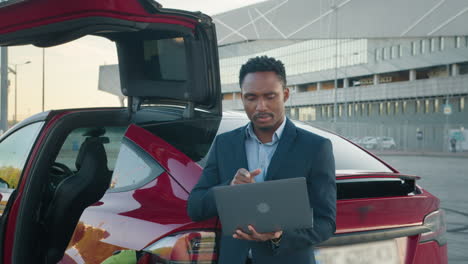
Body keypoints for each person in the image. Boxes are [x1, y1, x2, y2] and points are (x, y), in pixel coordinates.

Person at [187, 56, 336, 264]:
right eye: (251, 98)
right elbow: (195, 208)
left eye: (269, 96)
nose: (261, 106)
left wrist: (280, 236)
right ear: (242, 98)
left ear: (285, 95)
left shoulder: (315, 147)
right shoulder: (225, 144)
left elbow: (326, 223)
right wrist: (229, 187)